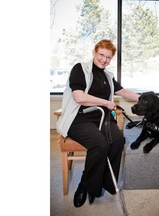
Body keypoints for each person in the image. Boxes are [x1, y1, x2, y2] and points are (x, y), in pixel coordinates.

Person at [56, 39, 140, 208]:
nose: (104, 59)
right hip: (79, 118)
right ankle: (85, 185)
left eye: (108, 57)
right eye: (101, 54)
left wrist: (146, 98)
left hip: (102, 118)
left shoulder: (108, 76)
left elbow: (122, 91)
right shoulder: (80, 68)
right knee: (100, 144)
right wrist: (105, 102)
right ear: (94, 52)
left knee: (117, 140)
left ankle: (104, 183)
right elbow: (79, 97)